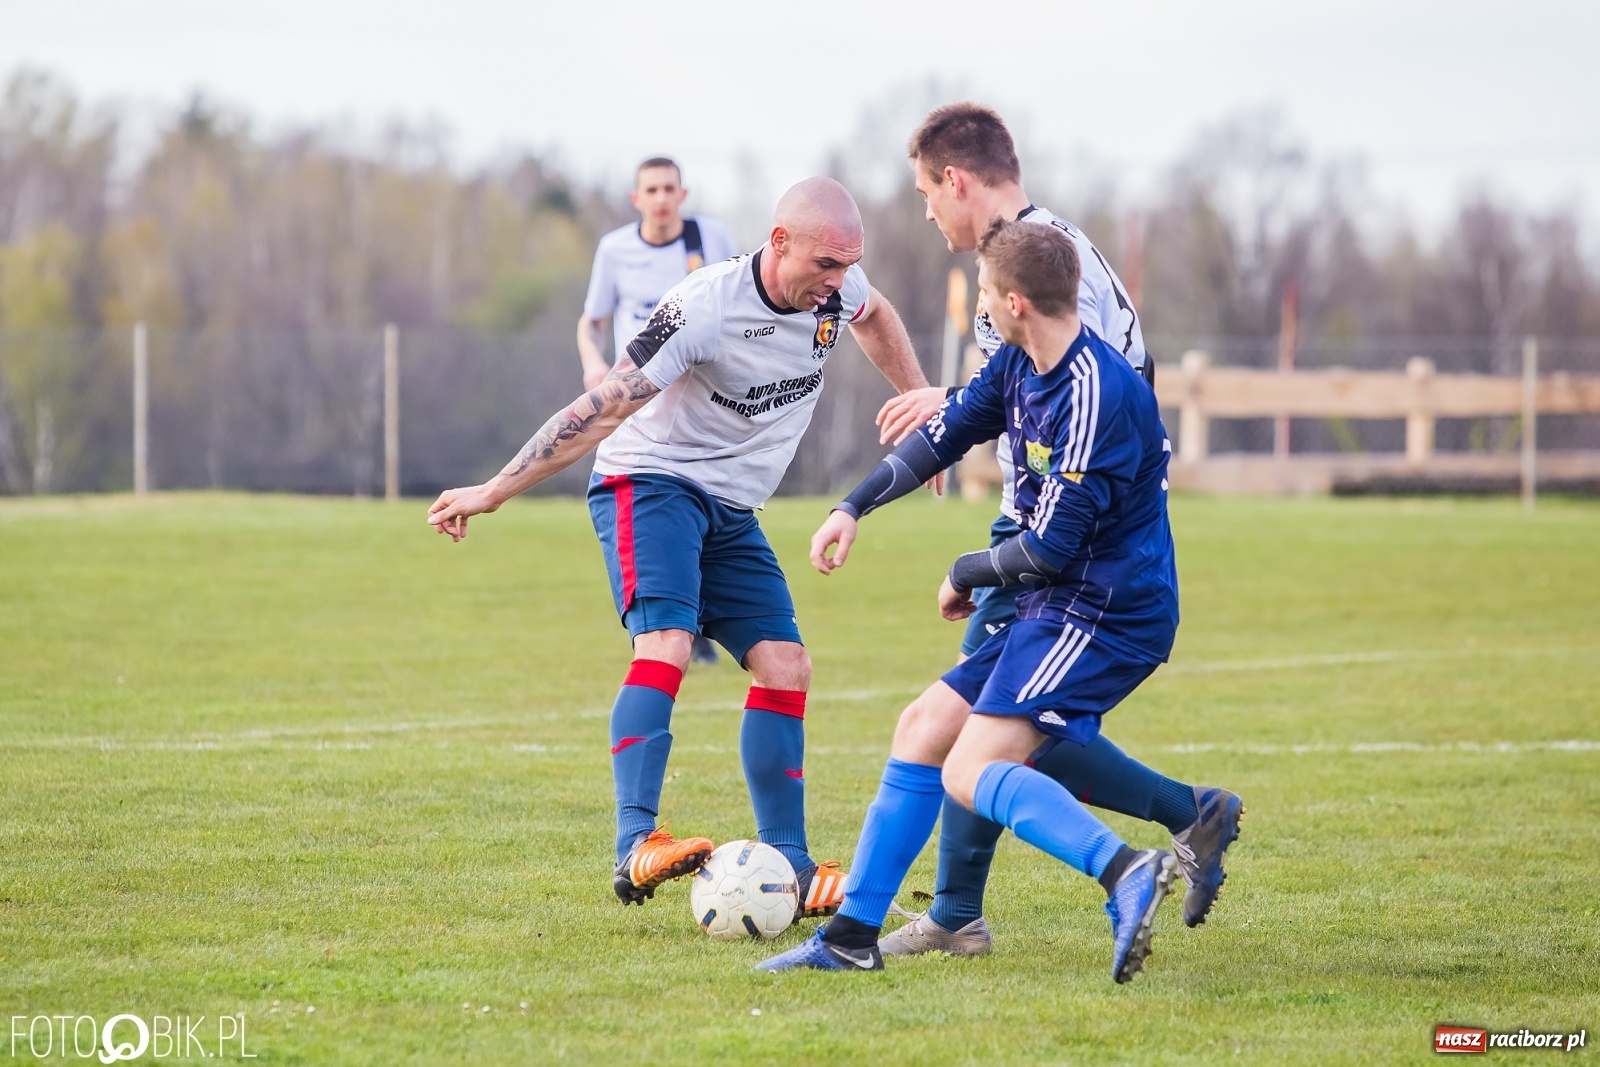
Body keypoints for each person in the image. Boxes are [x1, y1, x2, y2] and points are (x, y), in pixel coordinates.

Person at [430, 177, 929, 920]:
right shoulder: (704, 307)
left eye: (848, 265)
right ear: (780, 242)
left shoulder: (838, 289)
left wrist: (922, 405)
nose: (839, 282)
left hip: (732, 504)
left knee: (786, 664)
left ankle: (790, 861)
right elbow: (599, 409)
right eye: (827, 264)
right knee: (665, 641)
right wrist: (494, 490)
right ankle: (636, 843)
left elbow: (878, 314)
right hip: (649, 482)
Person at [757, 220, 1184, 980]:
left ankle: (1126, 871)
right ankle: (852, 935)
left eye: (986, 291)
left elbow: (1051, 545)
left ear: (1015, 301)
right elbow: (944, 434)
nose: (981, 302)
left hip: (1111, 610)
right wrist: (851, 507)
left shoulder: (1095, 393)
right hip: (1058, 599)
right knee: (924, 727)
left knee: (968, 768)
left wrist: (965, 569)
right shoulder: (1023, 361)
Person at [870, 104, 1241, 957]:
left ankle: (962, 912)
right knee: (1013, 732)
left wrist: (1014, 548)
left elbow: (1096, 400)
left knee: (981, 732)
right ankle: (1193, 813)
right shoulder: (1033, 256)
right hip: (1046, 526)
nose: (929, 214)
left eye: (928, 194)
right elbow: (1023, 387)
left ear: (957, 181)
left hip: (1072, 546)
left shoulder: (1053, 268)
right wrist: (956, 411)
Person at [578, 157, 738, 666]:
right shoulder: (615, 250)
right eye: (652, 189)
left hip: (699, 393)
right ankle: (665, 621)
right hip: (636, 392)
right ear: (636, 198)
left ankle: (697, 622)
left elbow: (739, 304)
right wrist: (593, 364)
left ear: (682, 194)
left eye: (670, 188)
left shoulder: (709, 241)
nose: (662, 198)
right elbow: (592, 320)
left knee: (708, 497)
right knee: (638, 494)